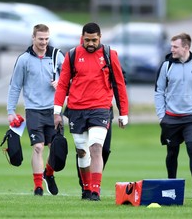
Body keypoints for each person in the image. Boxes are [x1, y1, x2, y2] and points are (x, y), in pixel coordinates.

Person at [54, 22, 129, 201]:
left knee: (96, 148)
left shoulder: (110, 55)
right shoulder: (72, 55)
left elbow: (120, 85)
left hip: (100, 109)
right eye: (87, 40)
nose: (90, 43)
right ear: (82, 38)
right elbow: (63, 84)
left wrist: (123, 113)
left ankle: (95, 190)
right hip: (76, 110)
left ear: (100, 38)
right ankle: (86, 188)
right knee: (81, 151)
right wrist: (57, 111)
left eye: (94, 40)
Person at [7, 24, 64, 196]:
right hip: (33, 110)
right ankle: (38, 186)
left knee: (55, 148)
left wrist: (60, 83)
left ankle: (49, 173)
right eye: (40, 39)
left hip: (54, 109)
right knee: (38, 147)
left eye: (47, 39)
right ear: (33, 38)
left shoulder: (57, 56)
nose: (44, 42)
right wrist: (11, 111)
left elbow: (71, 78)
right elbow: (15, 86)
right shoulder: (24, 59)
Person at [154, 33, 192, 199]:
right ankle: (171, 189)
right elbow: (158, 91)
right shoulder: (166, 66)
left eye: (175, 46)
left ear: (186, 48)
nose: (171, 49)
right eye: (171, 46)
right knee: (172, 153)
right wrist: (161, 115)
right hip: (171, 118)